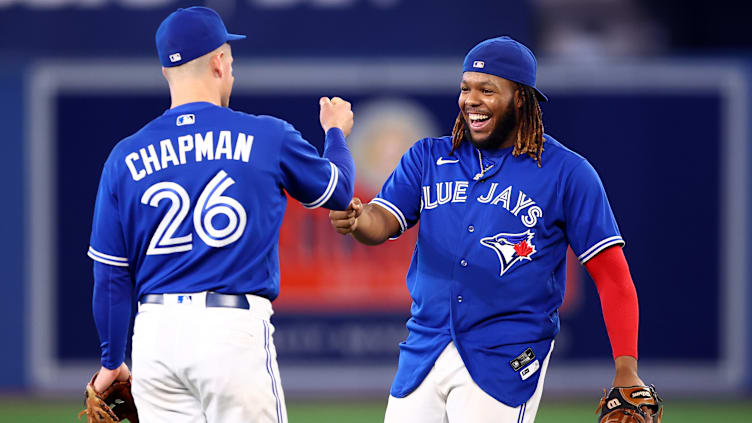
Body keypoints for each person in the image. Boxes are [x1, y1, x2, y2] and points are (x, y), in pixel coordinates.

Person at [329, 36, 652, 423]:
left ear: (520, 98)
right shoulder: (429, 156)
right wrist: (357, 218)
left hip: (507, 355)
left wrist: (626, 367)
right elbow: (379, 222)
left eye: (487, 89)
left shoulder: (568, 173)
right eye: (465, 88)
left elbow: (613, 277)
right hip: (425, 347)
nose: (471, 100)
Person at [85, 6, 355, 422]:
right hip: (230, 332)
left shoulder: (124, 157)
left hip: (155, 338)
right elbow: (338, 191)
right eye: (230, 59)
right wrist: (335, 132)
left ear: (165, 73)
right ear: (219, 61)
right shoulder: (266, 134)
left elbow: (110, 277)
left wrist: (110, 361)